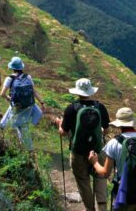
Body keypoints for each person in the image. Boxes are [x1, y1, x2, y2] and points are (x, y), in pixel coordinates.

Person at [55, 78, 110, 211]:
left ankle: (90, 209)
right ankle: (102, 207)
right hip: (97, 150)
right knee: (100, 178)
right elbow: (107, 130)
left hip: (78, 152)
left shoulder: (71, 108)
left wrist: (59, 123)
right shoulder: (100, 107)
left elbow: (63, 132)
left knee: (83, 182)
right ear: (90, 91)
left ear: (77, 92)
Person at [89, 108, 136, 211]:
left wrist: (94, 162)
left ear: (119, 124)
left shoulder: (114, 143)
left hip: (124, 197)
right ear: (134, 122)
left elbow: (105, 173)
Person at [0, 57, 45, 151]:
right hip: (29, 105)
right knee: (23, 124)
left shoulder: (9, 78)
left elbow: (2, 94)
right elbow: (34, 92)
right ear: (21, 67)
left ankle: (28, 149)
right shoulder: (28, 77)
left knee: (19, 124)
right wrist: (42, 102)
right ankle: (27, 148)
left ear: (12, 67)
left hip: (17, 106)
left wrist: (9, 99)